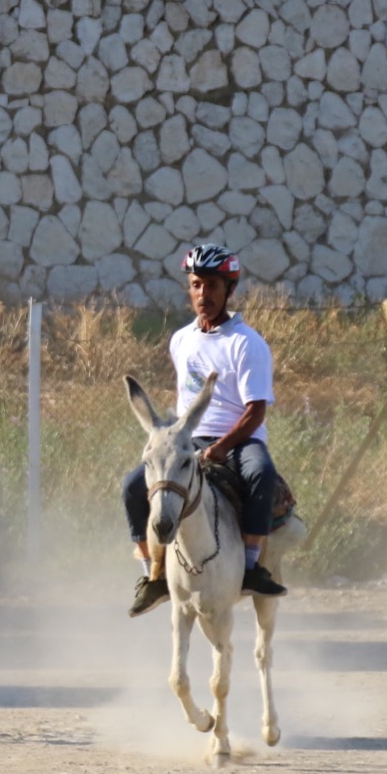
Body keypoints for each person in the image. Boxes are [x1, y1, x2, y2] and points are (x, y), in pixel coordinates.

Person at [124, 243, 289, 617]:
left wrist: (221, 448)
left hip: (240, 438)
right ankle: (153, 576)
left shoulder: (248, 344)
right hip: (188, 437)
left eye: (213, 286)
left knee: (261, 474)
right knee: (133, 485)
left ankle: (250, 568)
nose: (203, 294)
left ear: (229, 290)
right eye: (197, 285)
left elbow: (255, 412)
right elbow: (186, 400)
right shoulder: (181, 339)